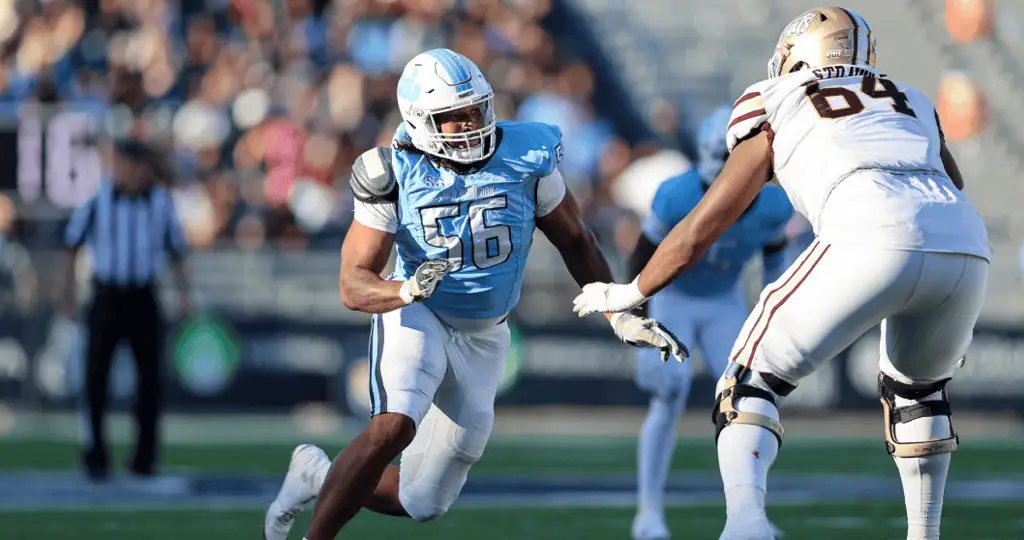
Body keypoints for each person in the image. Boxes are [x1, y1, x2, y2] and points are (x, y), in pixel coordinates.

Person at [572, 7, 990, 540]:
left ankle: (746, 526)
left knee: (745, 384)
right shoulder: (911, 98)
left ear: (799, 53)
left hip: (869, 224)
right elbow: (950, 181)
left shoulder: (776, 97)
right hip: (964, 239)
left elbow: (704, 223)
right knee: (918, 396)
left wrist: (631, 290)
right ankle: (923, 534)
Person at [263, 48, 686, 540]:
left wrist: (618, 312)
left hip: (487, 331)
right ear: (421, 121)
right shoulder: (392, 173)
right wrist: (405, 288)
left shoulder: (527, 155)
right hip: (421, 311)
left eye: (474, 111)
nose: (468, 125)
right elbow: (353, 283)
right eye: (452, 118)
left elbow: (575, 238)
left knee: (420, 502)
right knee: (393, 425)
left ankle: (317, 474)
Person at [628, 105, 791, 540]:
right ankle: (648, 512)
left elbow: (776, 261)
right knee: (668, 395)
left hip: (725, 301)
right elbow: (642, 258)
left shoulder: (774, 204)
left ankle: (749, 512)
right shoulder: (677, 194)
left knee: (747, 402)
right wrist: (637, 317)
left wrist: (773, 314)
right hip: (674, 298)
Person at [62, 139, 192, 482]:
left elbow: (176, 251)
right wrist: (69, 297)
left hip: (143, 296)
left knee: (150, 380)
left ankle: (144, 456)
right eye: (130, 166)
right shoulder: (96, 198)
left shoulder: (160, 203)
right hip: (106, 295)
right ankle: (95, 453)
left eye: (141, 167)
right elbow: (72, 245)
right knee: (95, 379)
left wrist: (184, 296)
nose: (135, 174)